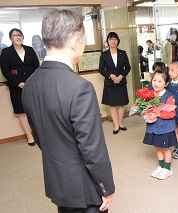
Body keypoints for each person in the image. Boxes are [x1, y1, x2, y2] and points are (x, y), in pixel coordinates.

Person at [22, 9, 115, 212]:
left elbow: (38, 136)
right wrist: (106, 187)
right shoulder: (80, 87)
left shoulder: (30, 83)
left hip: (58, 183)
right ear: (74, 41)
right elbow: (92, 149)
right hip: (85, 189)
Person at [0, 28, 39, 146]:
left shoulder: (29, 49)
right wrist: (19, 83)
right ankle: (29, 136)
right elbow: (5, 71)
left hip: (32, 85)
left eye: (19, 35)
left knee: (35, 110)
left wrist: (31, 82)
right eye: (14, 35)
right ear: (10, 38)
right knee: (22, 112)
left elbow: (36, 67)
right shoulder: (6, 52)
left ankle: (38, 133)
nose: (18, 37)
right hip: (16, 87)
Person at [143, 69, 177, 180]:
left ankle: (168, 169)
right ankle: (161, 166)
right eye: (154, 80)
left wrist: (158, 115)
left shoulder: (168, 96)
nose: (156, 83)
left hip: (164, 128)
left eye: (160, 81)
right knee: (157, 147)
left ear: (166, 84)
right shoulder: (151, 94)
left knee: (165, 148)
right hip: (153, 126)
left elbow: (172, 113)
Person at [99, 32, 131, 134]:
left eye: (115, 39)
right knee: (112, 105)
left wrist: (121, 76)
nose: (113, 41)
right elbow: (101, 69)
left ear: (118, 40)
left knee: (121, 104)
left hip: (121, 82)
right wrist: (110, 76)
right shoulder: (104, 55)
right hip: (110, 83)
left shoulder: (123, 53)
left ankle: (121, 123)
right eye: (111, 39)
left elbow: (128, 68)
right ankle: (116, 125)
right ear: (107, 41)